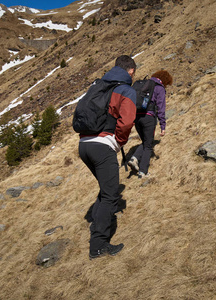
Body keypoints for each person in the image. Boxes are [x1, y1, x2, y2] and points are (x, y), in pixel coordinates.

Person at [78, 55, 137, 259]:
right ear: (130, 71)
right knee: (111, 195)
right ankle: (98, 246)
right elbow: (127, 121)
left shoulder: (99, 85)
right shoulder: (125, 89)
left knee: (106, 188)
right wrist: (119, 141)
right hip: (102, 146)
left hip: (84, 144)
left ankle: (97, 223)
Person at [128, 70, 173, 178]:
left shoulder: (145, 84)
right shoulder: (159, 87)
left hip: (137, 116)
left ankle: (134, 158)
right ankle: (143, 172)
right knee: (148, 145)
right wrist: (163, 125)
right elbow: (161, 108)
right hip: (148, 117)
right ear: (165, 80)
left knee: (144, 141)